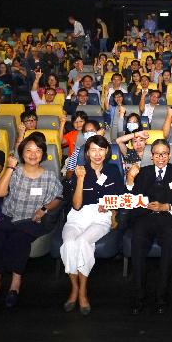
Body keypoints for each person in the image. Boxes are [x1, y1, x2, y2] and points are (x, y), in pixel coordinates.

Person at [0, 133, 63, 309]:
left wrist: (44, 208)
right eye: (29, 150)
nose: (33, 154)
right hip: (9, 217)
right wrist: (9, 168)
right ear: (22, 152)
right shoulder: (15, 172)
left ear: (43, 154)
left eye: (38, 150)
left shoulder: (49, 176)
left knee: (19, 241)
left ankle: (15, 285)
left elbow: (58, 197)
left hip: (31, 221)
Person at [60, 135, 124, 315]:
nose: (97, 154)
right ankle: (74, 287)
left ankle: (82, 291)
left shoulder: (112, 171)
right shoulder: (80, 171)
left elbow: (120, 198)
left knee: (82, 243)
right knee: (69, 244)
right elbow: (77, 205)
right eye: (93, 150)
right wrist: (80, 179)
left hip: (100, 217)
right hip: (77, 216)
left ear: (106, 152)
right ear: (87, 153)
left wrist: (111, 209)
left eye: (101, 150)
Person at [127, 139, 172, 315]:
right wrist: (130, 179)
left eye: (164, 154)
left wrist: (167, 207)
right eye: (157, 154)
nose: (161, 158)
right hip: (145, 218)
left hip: (168, 218)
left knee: (170, 244)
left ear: (169, 155)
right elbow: (131, 199)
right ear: (151, 156)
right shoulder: (144, 172)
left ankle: (161, 296)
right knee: (137, 245)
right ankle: (138, 297)